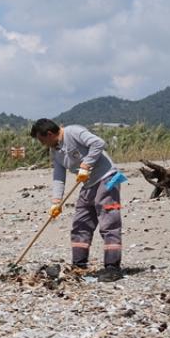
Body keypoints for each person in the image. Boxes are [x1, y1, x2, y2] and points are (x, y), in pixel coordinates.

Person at [31, 118, 126, 282]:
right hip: (88, 183)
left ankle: (112, 267)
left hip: (108, 177)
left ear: (49, 134)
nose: (43, 144)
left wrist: (86, 164)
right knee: (81, 222)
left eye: (42, 140)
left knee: (109, 221)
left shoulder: (73, 132)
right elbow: (58, 177)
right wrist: (56, 202)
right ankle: (79, 265)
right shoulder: (55, 151)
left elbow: (99, 143)